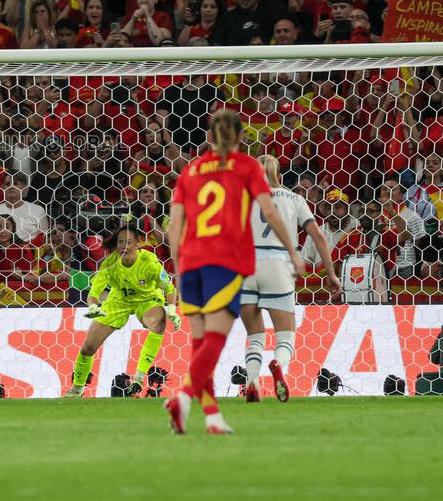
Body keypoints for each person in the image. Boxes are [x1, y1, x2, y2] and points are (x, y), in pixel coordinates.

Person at [165, 110, 305, 435]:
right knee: (215, 339)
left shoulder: (190, 171)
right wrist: (294, 252)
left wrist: (176, 269)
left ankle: (212, 417)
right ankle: (183, 398)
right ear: (241, 137)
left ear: (210, 137)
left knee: (199, 345)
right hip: (224, 263)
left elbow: (175, 225)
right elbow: (269, 211)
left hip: (190, 263)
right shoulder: (246, 166)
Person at [240, 156, 342, 403]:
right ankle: (278, 363)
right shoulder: (295, 199)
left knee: (254, 336)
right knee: (285, 335)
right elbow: (317, 235)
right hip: (279, 265)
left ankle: (252, 381)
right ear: (280, 177)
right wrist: (330, 273)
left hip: (246, 267)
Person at [64, 216, 182, 398]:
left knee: (158, 323)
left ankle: (139, 377)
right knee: (88, 347)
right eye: (120, 242)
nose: (123, 246)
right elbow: (94, 292)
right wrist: (93, 306)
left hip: (147, 299)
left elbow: (169, 288)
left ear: (137, 244)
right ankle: (76, 390)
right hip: (118, 301)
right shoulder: (110, 263)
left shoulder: (149, 262)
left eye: (128, 242)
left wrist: (172, 308)